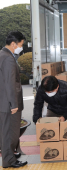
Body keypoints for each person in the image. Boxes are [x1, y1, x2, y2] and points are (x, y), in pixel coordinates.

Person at [0, 31, 27, 168]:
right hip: (9, 103)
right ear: (13, 44)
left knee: (6, 132)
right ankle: (9, 161)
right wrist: (13, 104)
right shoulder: (8, 58)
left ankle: (9, 157)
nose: (21, 48)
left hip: (4, 102)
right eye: (21, 45)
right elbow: (10, 83)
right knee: (10, 133)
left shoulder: (2, 55)